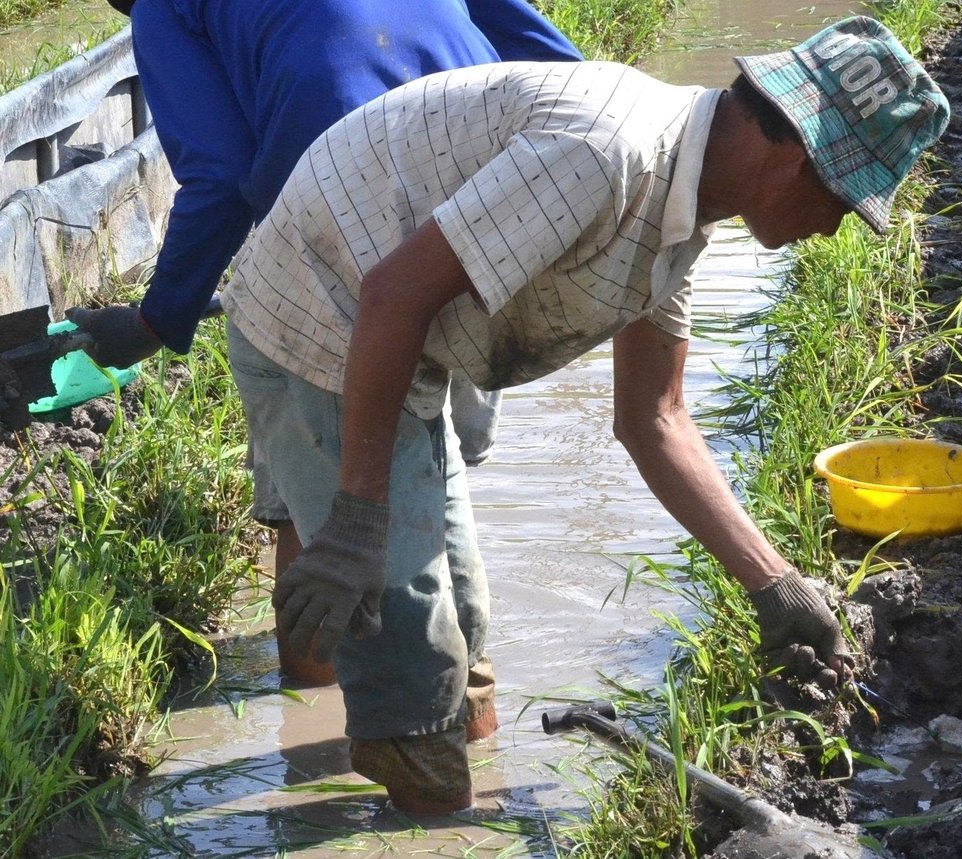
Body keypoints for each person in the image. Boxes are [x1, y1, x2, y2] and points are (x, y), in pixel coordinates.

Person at [220, 16, 950, 814]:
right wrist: (361, 514)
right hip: (322, 316)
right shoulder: (609, 154)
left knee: (466, 654)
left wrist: (776, 586)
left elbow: (656, 419)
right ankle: (366, 800)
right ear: (795, 157)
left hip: (404, 340)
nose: (834, 224)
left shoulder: (684, 205)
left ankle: (414, 786)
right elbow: (390, 294)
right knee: (415, 695)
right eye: (843, 200)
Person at [69, 0, 583, 685]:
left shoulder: (166, 9)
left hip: (342, 245)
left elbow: (220, 179)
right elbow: (568, 72)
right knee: (432, 463)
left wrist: (153, 322)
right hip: (486, 220)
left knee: (309, 502)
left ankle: (325, 740)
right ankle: (469, 729)